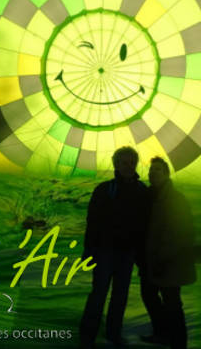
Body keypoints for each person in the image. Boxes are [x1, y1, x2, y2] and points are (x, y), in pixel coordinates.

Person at [79, 147, 149, 348]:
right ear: (116, 164)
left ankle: (113, 333)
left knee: (120, 295)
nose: (129, 166)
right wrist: (89, 250)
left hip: (127, 253)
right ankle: (88, 336)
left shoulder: (141, 191)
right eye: (124, 163)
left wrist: (141, 255)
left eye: (132, 162)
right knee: (99, 293)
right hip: (104, 251)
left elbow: (144, 224)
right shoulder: (104, 189)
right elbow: (92, 221)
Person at [139, 157, 195, 349]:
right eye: (151, 170)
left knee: (172, 303)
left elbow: (182, 231)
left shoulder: (175, 199)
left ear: (166, 174)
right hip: (150, 260)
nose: (153, 173)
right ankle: (162, 333)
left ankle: (179, 343)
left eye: (158, 170)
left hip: (170, 262)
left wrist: (166, 256)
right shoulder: (148, 196)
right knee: (149, 295)